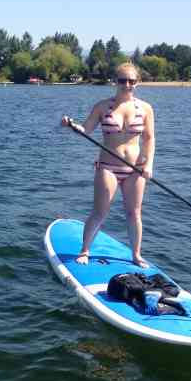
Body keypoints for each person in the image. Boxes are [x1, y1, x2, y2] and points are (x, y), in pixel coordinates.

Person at [60, 62, 155, 268]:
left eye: (132, 81)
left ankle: (136, 255)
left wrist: (149, 165)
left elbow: (149, 139)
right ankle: (85, 250)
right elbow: (86, 129)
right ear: (115, 82)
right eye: (122, 80)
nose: (127, 84)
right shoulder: (102, 107)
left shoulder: (146, 108)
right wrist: (72, 126)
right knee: (100, 212)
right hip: (108, 167)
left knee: (134, 213)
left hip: (135, 169)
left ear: (137, 83)